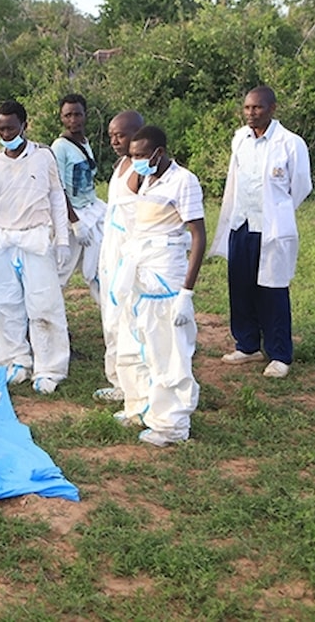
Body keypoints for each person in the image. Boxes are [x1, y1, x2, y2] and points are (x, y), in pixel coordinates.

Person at [112, 126, 206, 446]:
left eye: (140, 156)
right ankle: (139, 406)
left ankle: (172, 426)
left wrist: (186, 293)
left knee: (168, 352)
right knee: (136, 343)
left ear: (159, 153)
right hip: (139, 271)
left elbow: (198, 236)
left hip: (166, 275)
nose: (134, 161)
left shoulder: (184, 181)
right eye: (132, 155)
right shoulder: (146, 179)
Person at [209, 86, 312, 379]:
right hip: (241, 223)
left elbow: (301, 186)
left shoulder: (290, 143)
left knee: (272, 290)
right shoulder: (240, 139)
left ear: (272, 109)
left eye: (257, 108)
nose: (251, 113)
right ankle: (247, 345)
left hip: (271, 229)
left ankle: (279, 354)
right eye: (247, 108)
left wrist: (277, 211)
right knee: (240, 287)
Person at [0, 100, 71, 394]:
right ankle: (14, 361)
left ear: (24, 126)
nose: (6, 133)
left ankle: (49, 368)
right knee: (3, 304)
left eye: (11, 128)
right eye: (1, 128)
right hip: (3, 240)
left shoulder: (44, 157)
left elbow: (57, 196)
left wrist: (63, 239)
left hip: (36, 238)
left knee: (44, 304)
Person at [93, 110, 144, 403]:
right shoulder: (122, 164)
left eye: (120, 135)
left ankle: (133, 385)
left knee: (129, 320)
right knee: (111, 318)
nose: (114, 140)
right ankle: (117, 380)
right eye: (111, 135)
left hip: (130, 255)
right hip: (110, 251)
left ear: (138, 133)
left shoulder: (142, 170)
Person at [52, 93, 107, 304]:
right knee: (61, 272)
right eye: (68, 115)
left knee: (98, 267)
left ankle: (110, 317)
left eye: (77, 114)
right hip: (71, 217)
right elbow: (58, 188)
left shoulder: (85, 142)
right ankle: (47, 322)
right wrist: (75, 222)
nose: (73, 120)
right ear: (61, 118)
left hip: (90, 211)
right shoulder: (60, 147)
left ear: (85, 116)